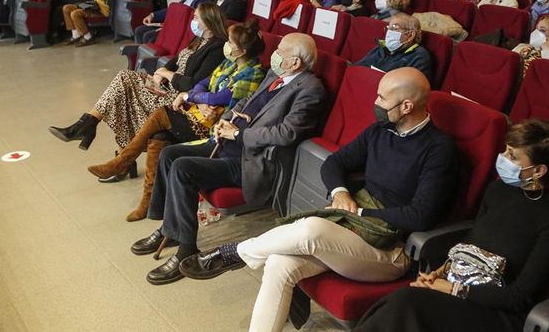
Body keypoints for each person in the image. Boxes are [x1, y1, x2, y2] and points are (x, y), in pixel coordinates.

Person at [181, 68, 459, 332]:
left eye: (382, 98)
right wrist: (340, 192)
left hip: (390, 249)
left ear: (407, 106)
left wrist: (359, 213)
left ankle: (235, 252)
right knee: (279, 263)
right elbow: (334, 163)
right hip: (349, 232)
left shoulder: (439, 149)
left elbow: (421, 215)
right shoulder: (380, 131)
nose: (375, 102)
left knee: (311, 228)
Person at [130, 33, 327, 285]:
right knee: (169, 154)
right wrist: (230, 118)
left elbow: (286, 133)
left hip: (252, 160)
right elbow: (248, 101)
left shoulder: (310, 89)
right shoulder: (276, 75)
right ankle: (170, 229)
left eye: (280, 51)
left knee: (182, 168)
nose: (274, 54)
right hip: (229, 144)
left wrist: (239, 134)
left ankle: (186, 249)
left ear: (295, 62)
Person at [355, 118, 549, 332]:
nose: (503, 158)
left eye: (512, 156)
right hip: (462, 287)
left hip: (499, 312)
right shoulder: (498, 190)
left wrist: (453, 289)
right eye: (505, 150)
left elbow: (518, 297)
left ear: (538, 171)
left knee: (407, 302)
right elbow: (470, 244)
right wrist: (439, 273)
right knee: (399, 303)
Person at [88, 19, 265, 220]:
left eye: (230, 44)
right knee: (159, 137)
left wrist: (190, 96)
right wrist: (197, 96)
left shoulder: (254, 74)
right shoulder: (228, 63)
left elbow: (220, 97)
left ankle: (123, 160)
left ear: (241, 51)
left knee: (162, 113)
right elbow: (202, 84)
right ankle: (148, 200)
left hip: (211, 127)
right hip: (197, 115)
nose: (227, 45)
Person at [49, 3, 230, 155]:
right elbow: (175, 61)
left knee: (124, 85)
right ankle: (93, 130)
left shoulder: (217, 46)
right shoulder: (197, 40)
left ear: (208, 21)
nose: (193, 21)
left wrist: (166, 75)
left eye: (196, 18)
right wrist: (161, 73)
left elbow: (192, 84)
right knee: (123, 87)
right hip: (167, 88)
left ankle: (89, 127)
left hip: (179, 102)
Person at [354, 13, 433, 81]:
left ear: (410, 35)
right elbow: (358, 67)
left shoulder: (419, 56)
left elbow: (412, 88)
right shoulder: (382, 47)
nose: (389, 32)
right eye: (388, 28)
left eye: (395, 28)